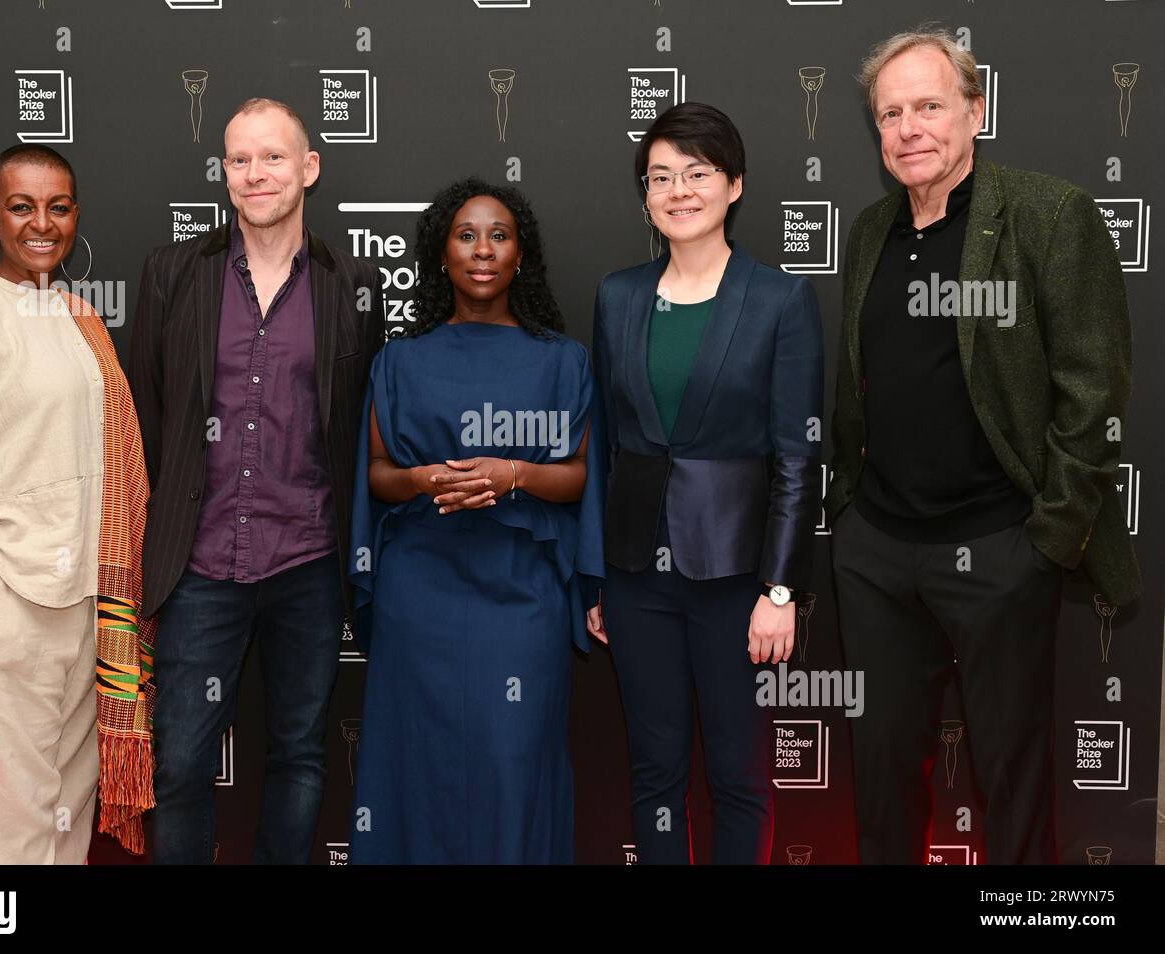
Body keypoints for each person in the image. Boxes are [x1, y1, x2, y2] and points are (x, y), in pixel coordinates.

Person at [825, 29, 1139, 864]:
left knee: (1013, 773)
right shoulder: (868, 232)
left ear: (975, 109)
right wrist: (846, 517)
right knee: (882, 773)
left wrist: (1047, 540)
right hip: (879, 553)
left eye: (929, 106)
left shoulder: (1046, 215)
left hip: (1000, 547)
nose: (908, 128)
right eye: (890, 114)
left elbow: (1093, 389)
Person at [129, 98, 385, 864]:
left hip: (308, 562)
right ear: (224, 174)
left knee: (300, 757)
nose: (254, 173)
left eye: (272, 157)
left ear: (308, 168)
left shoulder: (351, 284)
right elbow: (145, 415)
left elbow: (358, 423)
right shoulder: (174, 272)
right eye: (239, 159)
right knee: (178, 765)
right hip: (199, 563)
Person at [587, 102, 824, 864]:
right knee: (654, 772)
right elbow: (605, 447)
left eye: (697, 173)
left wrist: (780, 591)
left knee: (739, 775)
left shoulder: (780, 299)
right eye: (660, 177)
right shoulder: (618, 296)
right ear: (645, 195)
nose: (678, 190)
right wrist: (594, 578)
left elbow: (797, 455)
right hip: (633, 577)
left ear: (734, 185)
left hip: (735, 580)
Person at [347, 179, 606, 864]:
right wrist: (423, 480)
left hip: (521, 598)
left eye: (499, 235)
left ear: (522, 255)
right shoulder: (399, 360)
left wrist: (511, 475)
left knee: (512, 760)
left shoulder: (562, 361)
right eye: (466, 235)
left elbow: (580, 477)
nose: (483, 249)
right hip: (420, 594)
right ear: (440, 255)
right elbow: (375, 472)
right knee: (420, 770)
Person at [0, 144, 155, 863]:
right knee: (5, 815)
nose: (41, 223)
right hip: (4, 606)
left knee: (64, 811)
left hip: (84, 602)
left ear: (76, 215)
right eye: (22, 207)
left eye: (58, 207)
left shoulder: (78, 317)